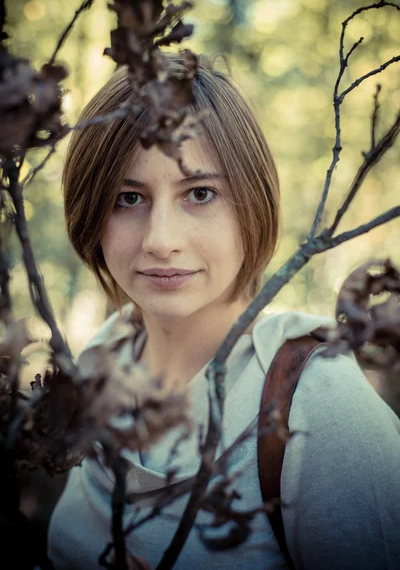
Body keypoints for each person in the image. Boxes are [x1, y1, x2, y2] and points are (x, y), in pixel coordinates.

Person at [48, 54, 400, 569]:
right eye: (128, 197)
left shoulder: (317, 401)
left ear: (252, 204)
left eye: (200, 193)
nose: (161, 240)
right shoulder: (102, 358)